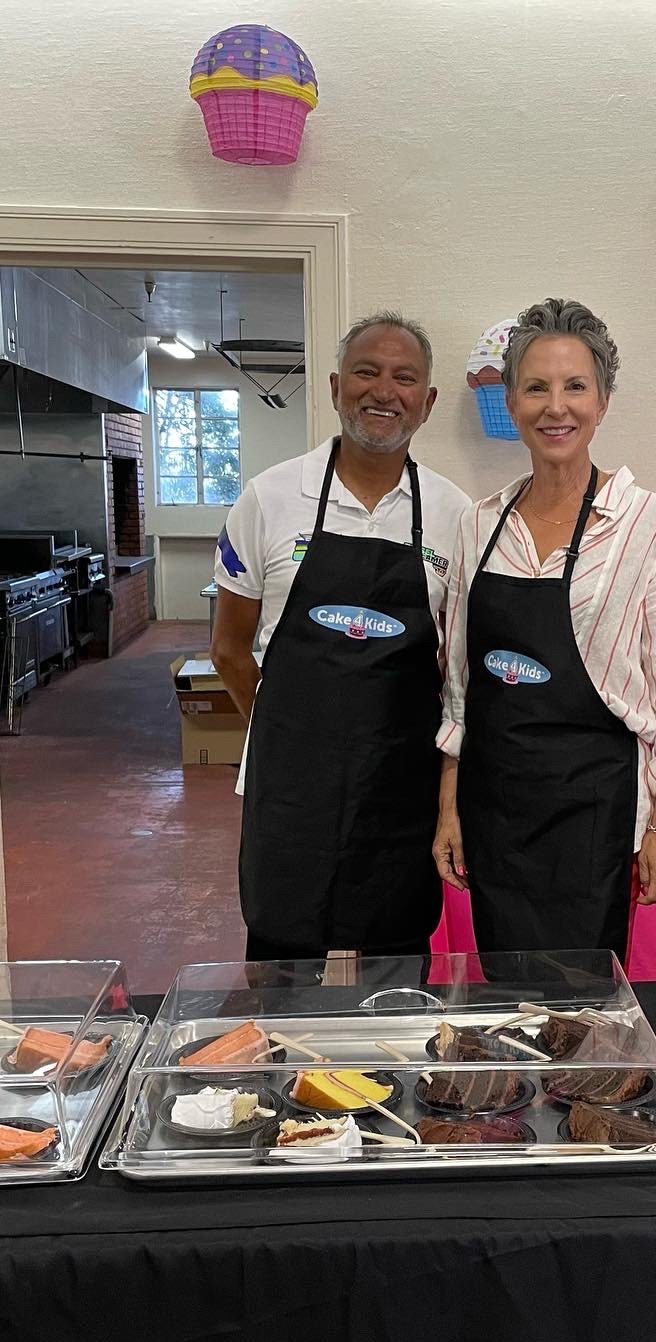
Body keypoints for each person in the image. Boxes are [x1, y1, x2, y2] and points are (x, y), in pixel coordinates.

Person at [433, 298, 656, 965]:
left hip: (594, 814)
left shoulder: (649, 523)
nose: (557, 407)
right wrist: (449, 805)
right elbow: (460, 690)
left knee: (584, 1011)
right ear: (512, 401)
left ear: (603, 399)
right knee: (504, 1000)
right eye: (536, 386)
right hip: (495, 809)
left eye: (575, 386)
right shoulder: (479, 524)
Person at [211, 312, 472, 962]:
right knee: (281, 965)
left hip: (400, 787)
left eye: (404, 377)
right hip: (291, 788)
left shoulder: (455, 516)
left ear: (428, 401)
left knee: (397, 969)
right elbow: (228, 648)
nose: (384, 391)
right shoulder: (269, 499)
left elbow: (455, 668)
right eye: (367, 371)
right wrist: (284, 727)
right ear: (334, 386)